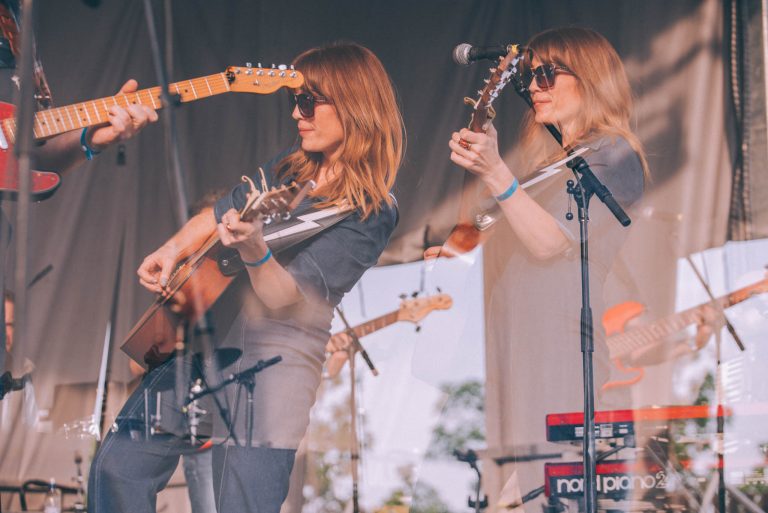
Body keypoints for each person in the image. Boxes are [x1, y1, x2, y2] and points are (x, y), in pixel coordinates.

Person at [88, 41, 404, 513]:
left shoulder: (371, 211)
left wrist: (256, 252)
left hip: (276, 367)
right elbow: (221, 212)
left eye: (307, 101)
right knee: (118, 468)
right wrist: (172, 249)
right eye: (293, 102)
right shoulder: (289, 165)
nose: (297, 114)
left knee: (242, 503)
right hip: (202, 340)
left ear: (355, 105)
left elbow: (287, 299)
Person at [446, 27, 646, 502]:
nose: (534, 86)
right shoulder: (551, 167)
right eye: (532, 76)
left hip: (559, 354)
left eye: (548, 74)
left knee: (537, 492)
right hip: (514, 348)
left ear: (593, 79)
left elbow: (549, 243)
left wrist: (496, 172)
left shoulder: (613, 154)